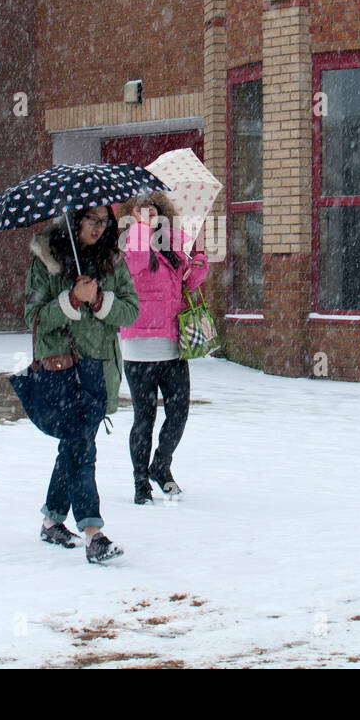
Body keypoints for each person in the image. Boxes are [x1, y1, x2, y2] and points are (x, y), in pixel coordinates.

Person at [25, 204, 139, 564]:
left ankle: (51, 521)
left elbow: (132, 310)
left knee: (75, 445)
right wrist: (71, 300)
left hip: (100, 368)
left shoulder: (113, 261)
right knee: (81, 448)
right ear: (75, 220)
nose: (99, 228)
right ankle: (94, 533)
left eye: (105, 222)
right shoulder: (48, 260)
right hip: (64, 369)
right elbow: (35, 317)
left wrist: (101, 300)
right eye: (92, 220)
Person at [119, 193, 209, 504]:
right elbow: (137, 262)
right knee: (144, 419)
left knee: (179, 414)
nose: (150, 213)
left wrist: (198, 262)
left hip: (172, 346)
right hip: (139, 347)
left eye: (154, 208)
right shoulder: (129, 242)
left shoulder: (169, 243)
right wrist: (142, 226)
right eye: (142, 209)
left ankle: (161, 465)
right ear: (132, 213)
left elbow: (185, 283)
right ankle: (140, 480)